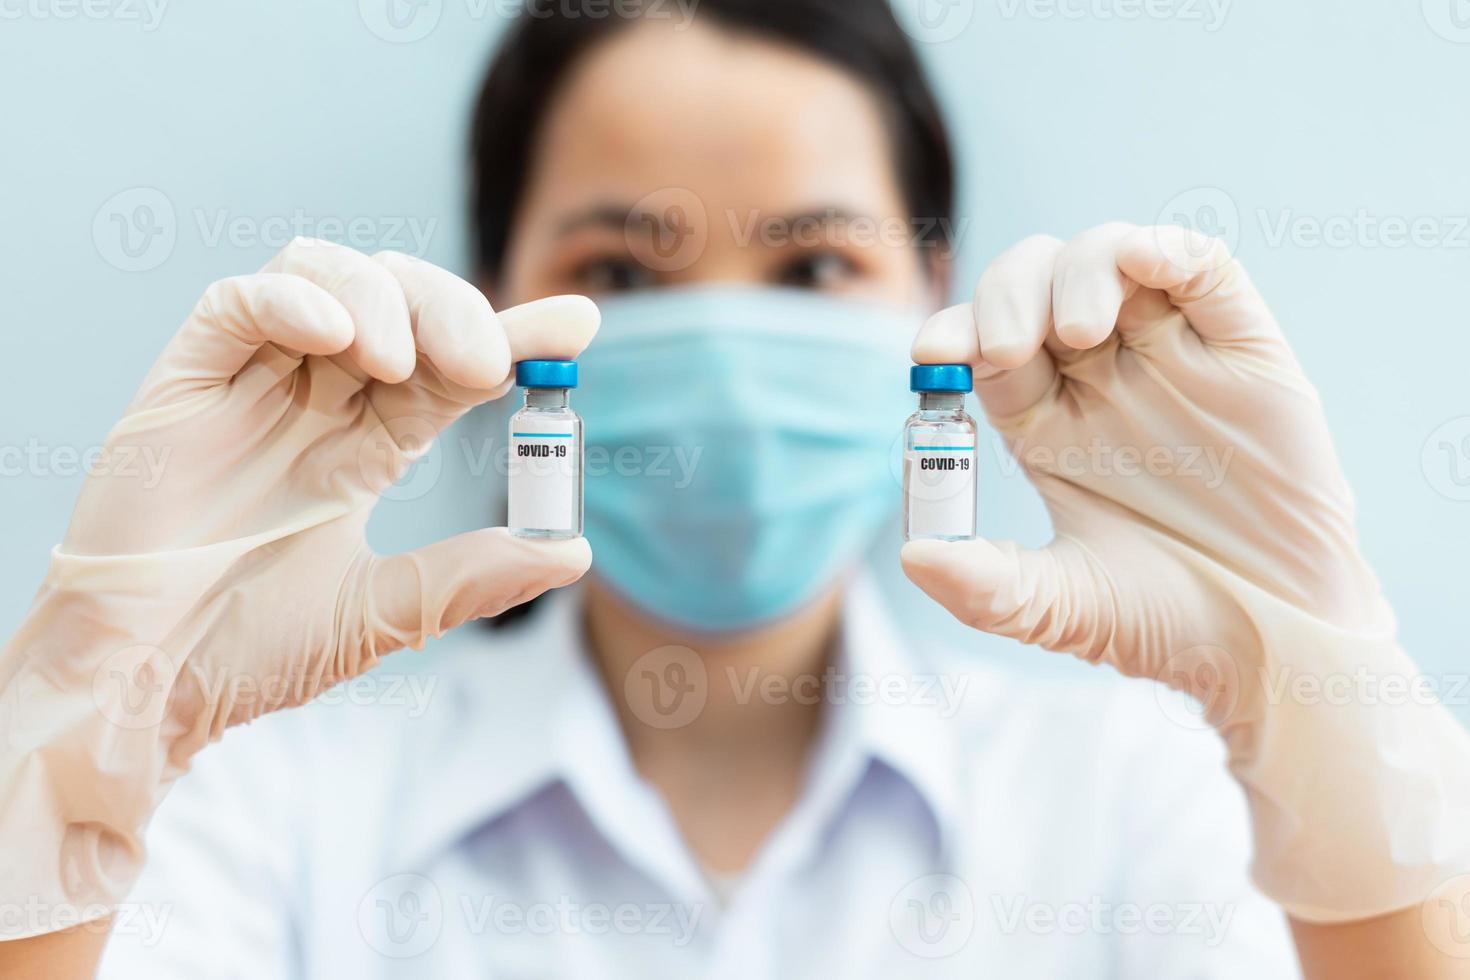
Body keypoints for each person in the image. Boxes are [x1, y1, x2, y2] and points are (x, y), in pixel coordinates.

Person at [2, 0, 1467, 976]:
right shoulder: (269, 813)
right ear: (500, 296)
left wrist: (1319, 706)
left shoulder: (1136, 803)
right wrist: (86, 727)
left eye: (815, 265)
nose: (715, 332)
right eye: (619, 272)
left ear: (933, 296)